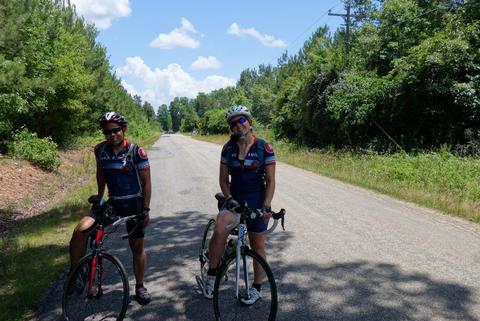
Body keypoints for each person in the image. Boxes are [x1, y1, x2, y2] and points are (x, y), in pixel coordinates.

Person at [69, 112, 152, 305]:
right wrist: (99, 195)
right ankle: (76, 274)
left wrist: (146, 209)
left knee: (137, 247)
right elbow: (101, 173)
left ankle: (140, 286)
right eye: (107, 132)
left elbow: (146, 183)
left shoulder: (136, 152)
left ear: (123, 129)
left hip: (134, 204)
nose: (111, 135)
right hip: (113, 202)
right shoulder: (100, 150)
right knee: (81, 230)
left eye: (115, 130)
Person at [202, 105, 276, 304]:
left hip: (256, 199)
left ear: (249, 123)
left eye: (242, 120)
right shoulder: (228, 148)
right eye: (233, 123)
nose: (238, 125)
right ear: (231, 128)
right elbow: (224, 180)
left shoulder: (264, 148)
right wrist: (229, 199)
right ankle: (211, 275)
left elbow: (270, 181)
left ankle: (257, 287)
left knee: (257, 245)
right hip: (234, 198)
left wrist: (266, 205)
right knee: (220, 229)